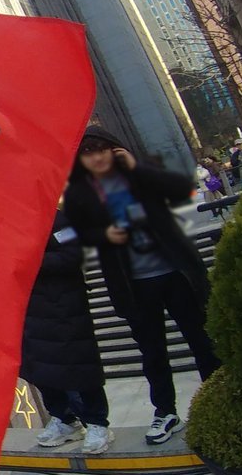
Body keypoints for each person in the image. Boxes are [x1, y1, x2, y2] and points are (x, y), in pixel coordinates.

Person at [64, 126, 221, 445]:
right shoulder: (81, 193)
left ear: (115, 149)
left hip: (176, 274)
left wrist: (138, 168)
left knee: (202, 341)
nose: (97, 158)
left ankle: (218, 402)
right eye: (88, 153)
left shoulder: (141, 174)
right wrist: (103, 235)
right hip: (134, 284)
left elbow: (181, 190)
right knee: (153, 353)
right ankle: (165, 411)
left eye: (101, 149)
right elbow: (79, 233)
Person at [22, 207, 113, 454]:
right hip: (30, 311)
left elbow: (73, 255)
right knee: (39, 369)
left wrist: (31, 260)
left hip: (64, 307)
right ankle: (64, 418)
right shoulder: (9, 224)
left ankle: (97, 422)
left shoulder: (56, 217)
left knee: (79, 365)